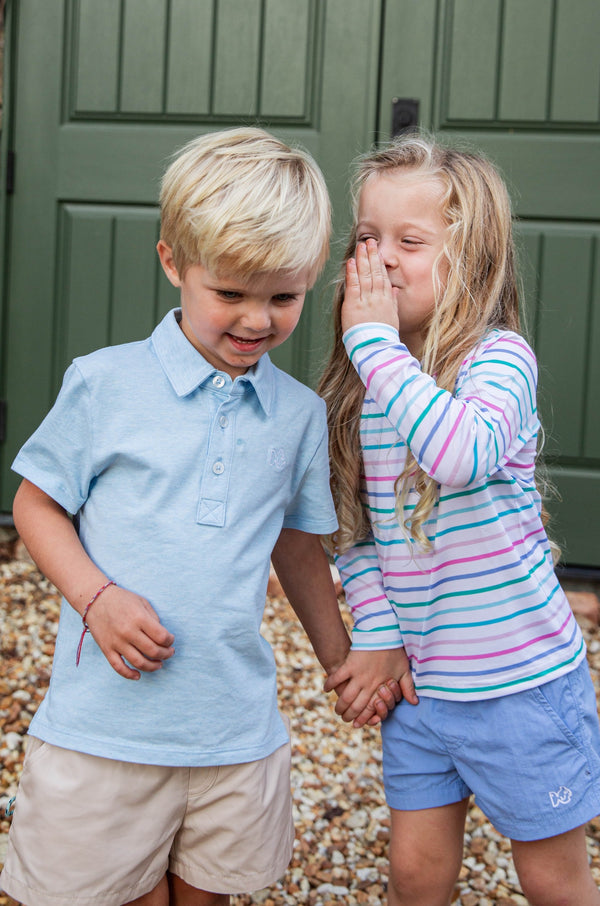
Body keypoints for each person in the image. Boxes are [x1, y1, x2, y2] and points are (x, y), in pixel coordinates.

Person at [0, 127, 400, 906]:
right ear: (173, 263)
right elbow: (35, 503)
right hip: (105, 732)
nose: (257, 321)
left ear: (315, 277)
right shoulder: (105, 383)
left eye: (283, 297)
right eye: (231, 294)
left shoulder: (298, 414)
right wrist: (96, 598)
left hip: (231, 734)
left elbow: (296, 543)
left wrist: (337, 658)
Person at [319, 132, 600, 906]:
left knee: (550, 877)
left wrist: (373, 344)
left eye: (410, 241)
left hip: (521, 685)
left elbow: (460, 454)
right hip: (426, 688)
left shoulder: (499, 361)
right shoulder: (369, 390)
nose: (380, 259)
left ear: (470, 260)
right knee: (415, 871)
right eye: (368, 238)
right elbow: (358, 534)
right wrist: (376, 632)